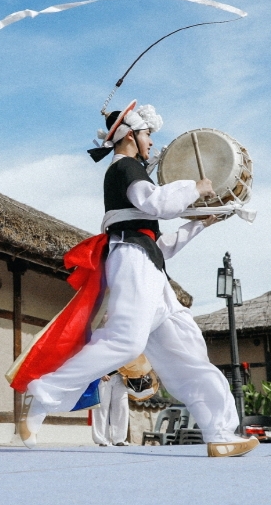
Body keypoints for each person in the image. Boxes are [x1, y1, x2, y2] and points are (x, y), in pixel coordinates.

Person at [13, 99, 257, 458]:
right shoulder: (124, 168)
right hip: (130, 259)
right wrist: (196, 187)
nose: (152, 144)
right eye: (147, 135)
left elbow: (161, 245)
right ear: (129, 136)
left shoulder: (134, 176)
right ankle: (43, 392)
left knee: (187, 349)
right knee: (125, 342)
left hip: (149, 266)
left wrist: (200, 223)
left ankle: (220, 432)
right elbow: (157, 202)